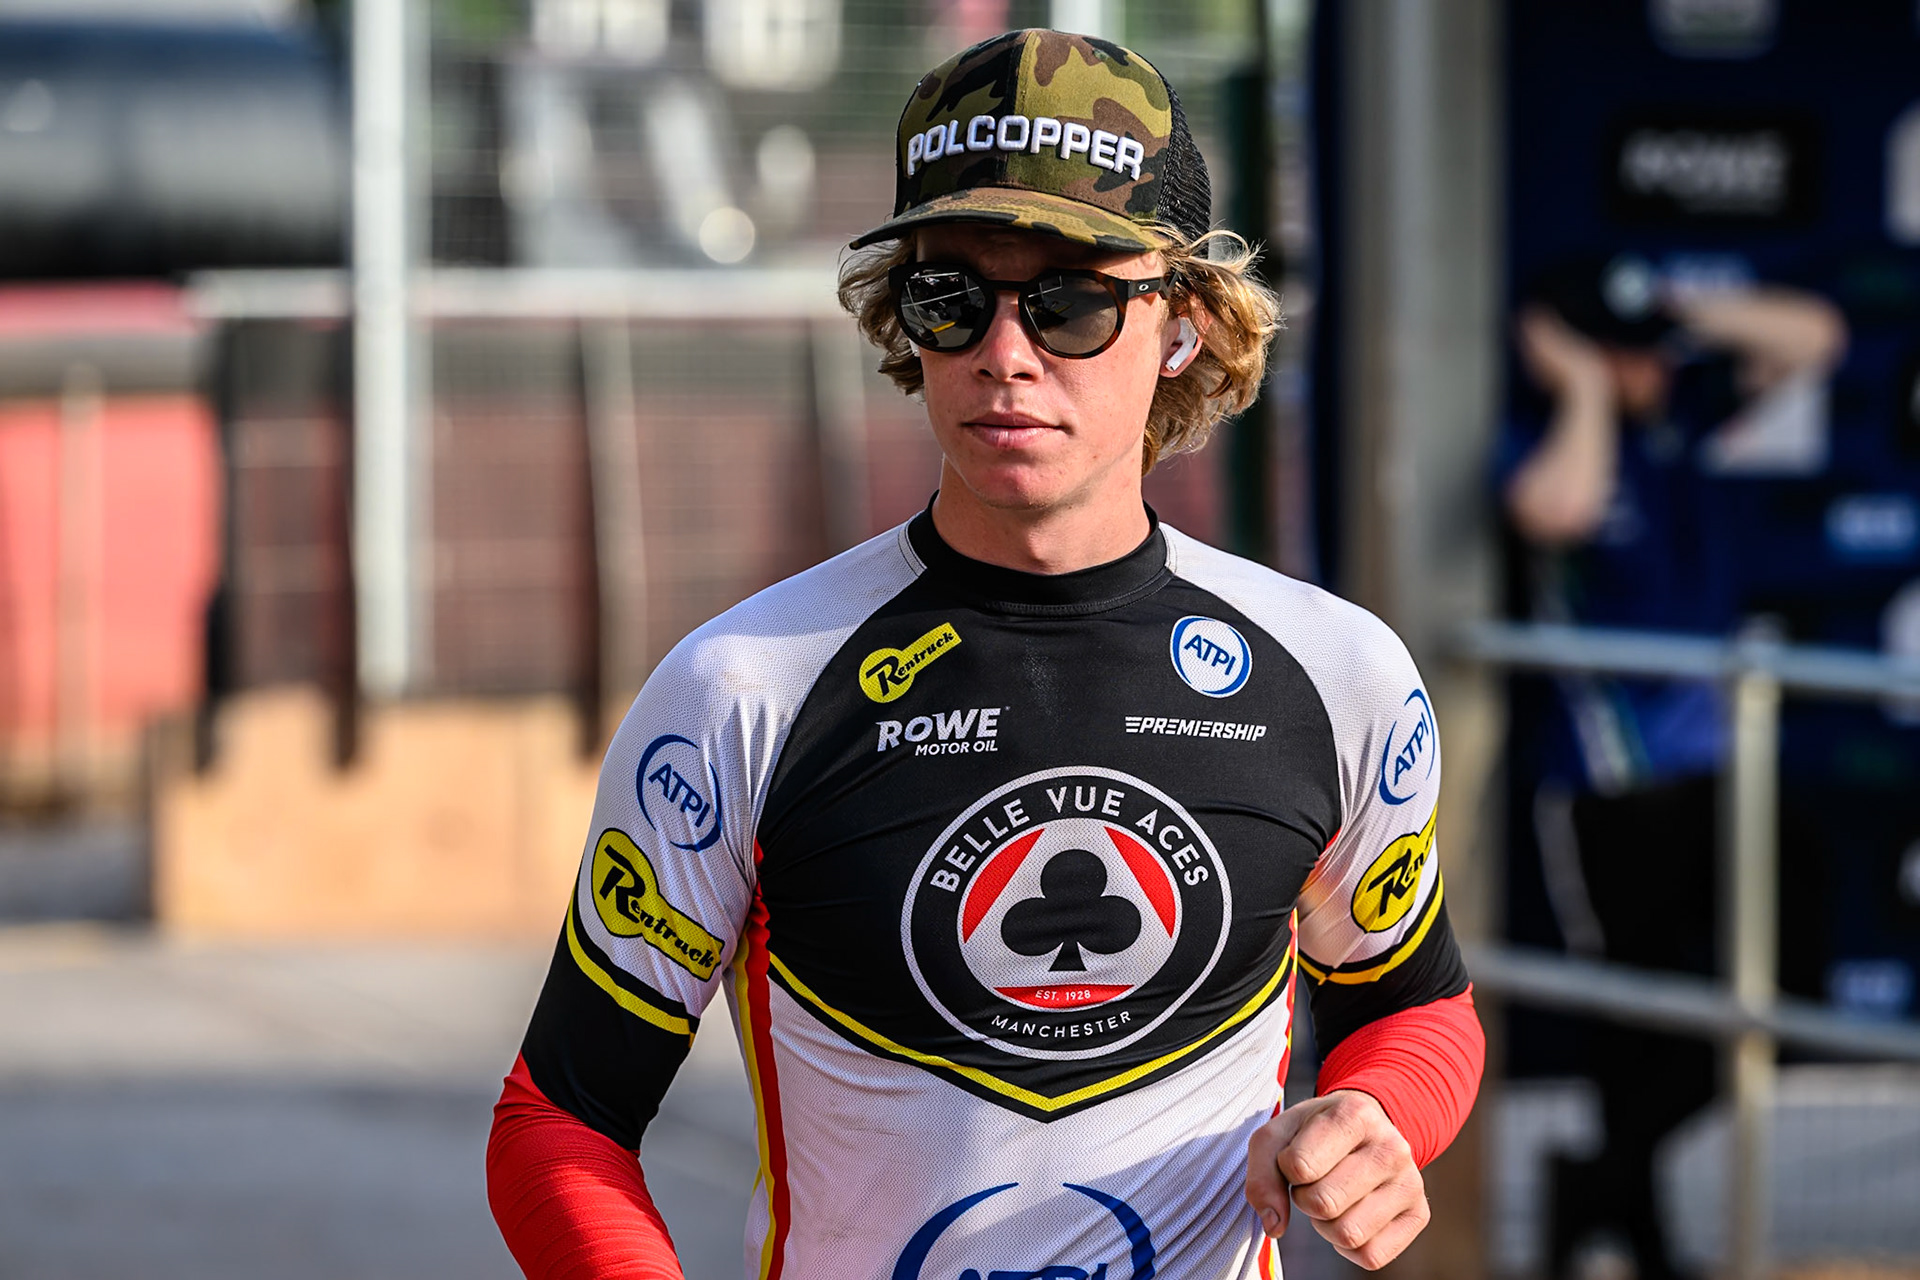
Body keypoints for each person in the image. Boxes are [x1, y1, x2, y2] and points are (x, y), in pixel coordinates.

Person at [487, 29, 1483, 1279]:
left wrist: (1380, 1117)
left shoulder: (1334, 673)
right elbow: (563, 1114)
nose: (1005, 353)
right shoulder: (745, 688)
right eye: (952, 298)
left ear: (1183, 323)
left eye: (1069, 301)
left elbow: (1413, 1002)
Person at [1501, 255, 1846, 1280]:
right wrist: (1584, 386)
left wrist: (1673, 311)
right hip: (1610, 783)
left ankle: (1599, 1184)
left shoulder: (1677, 412)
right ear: (1568, 355)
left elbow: (1814, 335)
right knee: (1634, 1022)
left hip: (1720, 769)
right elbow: (1557, 510)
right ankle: (1633, 1227)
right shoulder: (1550, 430)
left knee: (1791, 983)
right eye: (1625, 351)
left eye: (1651, 350)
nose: (1651, 365)